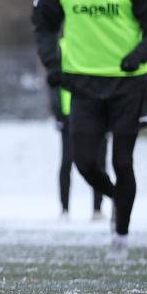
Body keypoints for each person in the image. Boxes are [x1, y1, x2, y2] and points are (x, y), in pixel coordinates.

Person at [31, 0, 147, 258]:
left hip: (127, 84)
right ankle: (118, 200)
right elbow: (42, 24)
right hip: (82, 86)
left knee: (123, 162)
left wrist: (138, 56)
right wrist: (53, 63)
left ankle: (120, 237)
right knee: (84, 163)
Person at [49, 85, 105, 221]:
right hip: (69, 120)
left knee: (99, 164)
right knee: (67, 163)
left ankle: (97, 209)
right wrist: (59, 114)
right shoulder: (65, 67)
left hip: (96, 119)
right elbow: (56, 89)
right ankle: (64, 209)